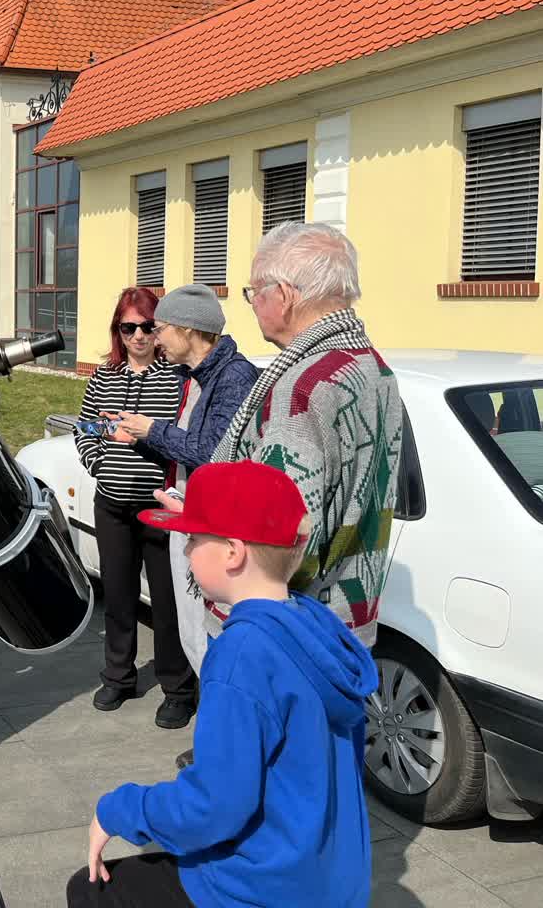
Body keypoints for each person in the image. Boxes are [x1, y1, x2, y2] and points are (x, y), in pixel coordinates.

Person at [67, 460, 376, 908]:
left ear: (232, 552)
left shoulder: (241, 654)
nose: (187, 550)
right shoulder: (314, 625)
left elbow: (214, 807)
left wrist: (119, 810)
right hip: (331, 881)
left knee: (92, 890)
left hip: (261, 888)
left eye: (193, 538)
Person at [155, 222, 403, 771]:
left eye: (253, 293)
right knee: (320, 785)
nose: (250, 305)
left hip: (286, 636)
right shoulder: (372, 367)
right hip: (346, 621)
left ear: (285, 296)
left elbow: (282, 537)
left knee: (262, 790)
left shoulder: (304, 384)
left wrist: (206, 525)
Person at [109, 285, 258, 678]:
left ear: (189, 330)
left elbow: (213, 453)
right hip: (191, 519)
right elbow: (185, 450)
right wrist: (140, 440)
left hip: (217, 531)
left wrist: (152, 430)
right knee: (194, 631)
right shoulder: (192, 377)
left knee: (210, 638)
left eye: (160, 329)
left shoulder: (234, 377)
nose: (154, 339)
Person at [75, 288, 194, 729]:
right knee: (119, 597)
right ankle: (119, 677)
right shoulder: (104, 377)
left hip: (159, 508)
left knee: (167, 603)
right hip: (112, 506)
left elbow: (185, 440)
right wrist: (99, 461)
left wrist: (145, 437)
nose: (139, 335)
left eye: (147, 326)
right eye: (129, 327)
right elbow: (85, 429)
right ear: (118, 331)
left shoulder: (178, 378)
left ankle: (177, 689)